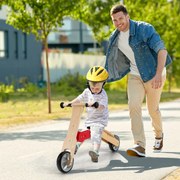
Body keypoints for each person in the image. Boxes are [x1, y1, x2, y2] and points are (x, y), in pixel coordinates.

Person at [105, 4, 172, 157]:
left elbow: (162, 50)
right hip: (135, 75)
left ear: (128, 16)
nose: (118, 22)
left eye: (120, 18)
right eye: (114, 20)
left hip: (154, 73)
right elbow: (111, 60)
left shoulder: (144, 29)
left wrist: (158, 74)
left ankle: (159, 135)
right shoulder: (114, 37)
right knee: (133, 105)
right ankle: (139, 145)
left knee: (152, 109)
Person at [69, 66, 109, 162]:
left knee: (95, 133)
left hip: (100, 120)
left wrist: (96, 104)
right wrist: (70, 103)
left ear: (103, 84)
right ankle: (76, 147)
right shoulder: (87, 91)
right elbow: (79, 98)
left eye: (97, 88)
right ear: (88, 85)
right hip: (90, 120)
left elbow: (102, 106)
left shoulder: (103, 95)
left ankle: (95, 152)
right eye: (93, 88)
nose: (94, 90)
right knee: (81, 134)